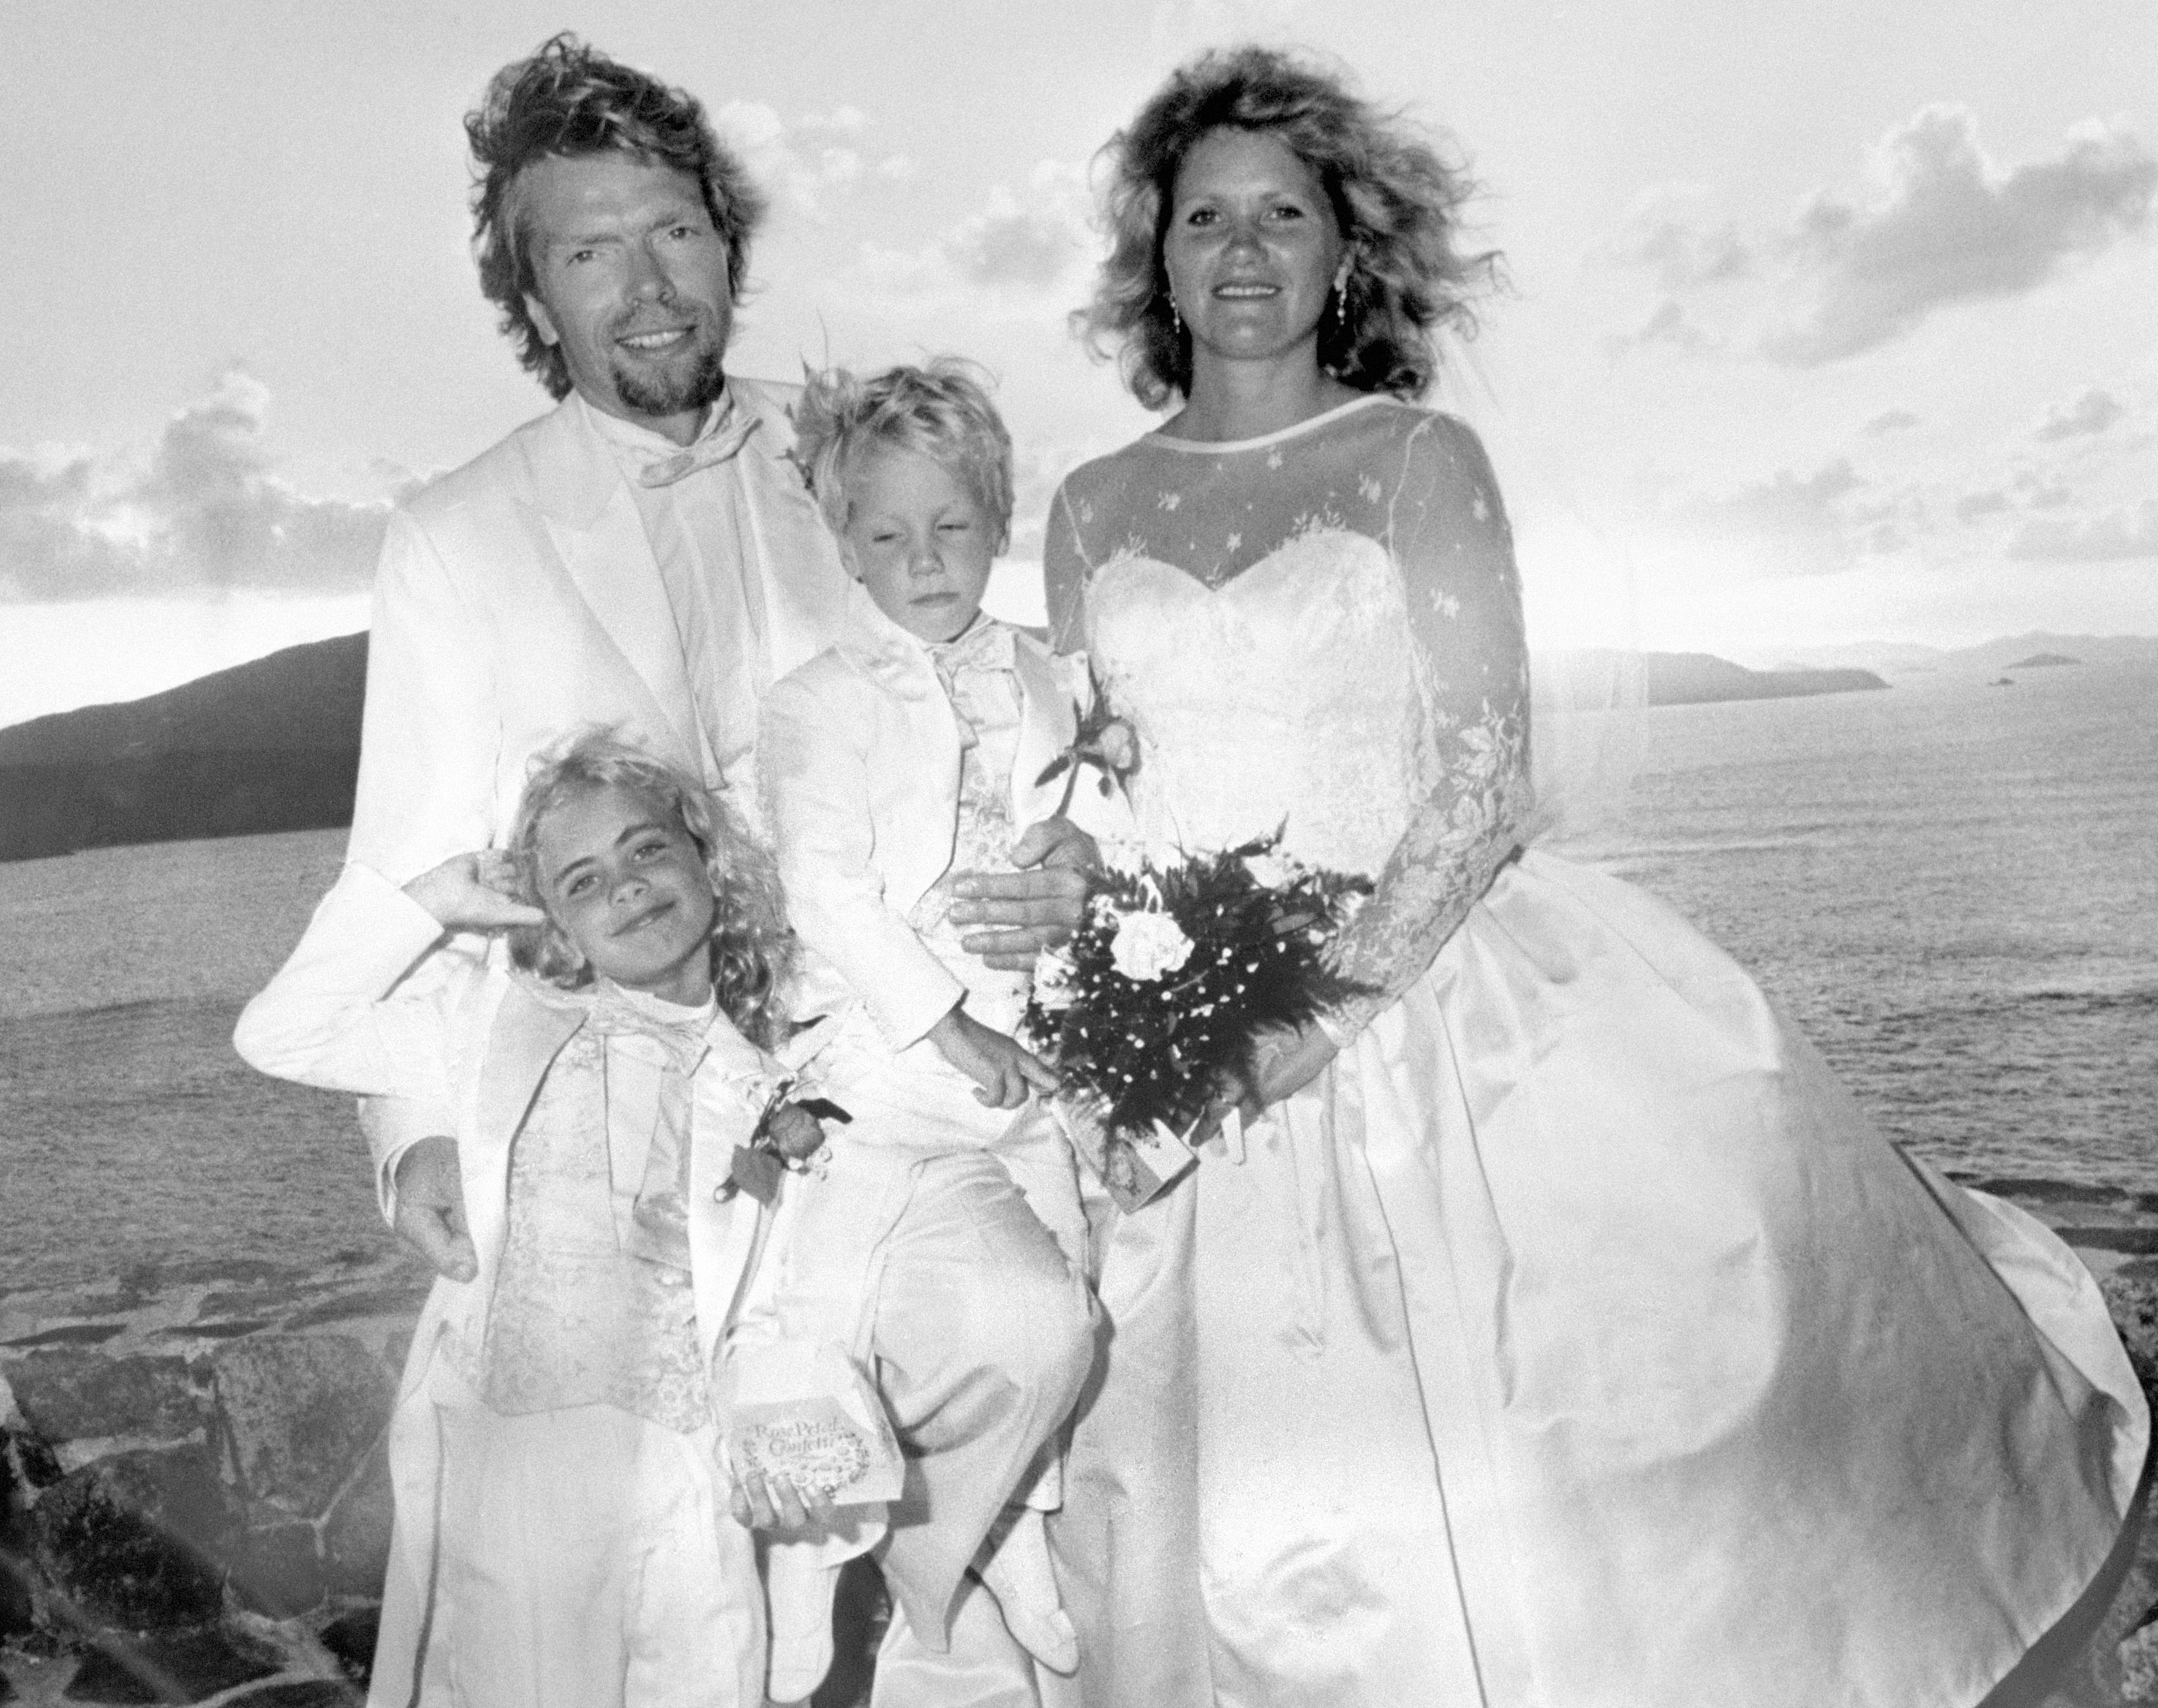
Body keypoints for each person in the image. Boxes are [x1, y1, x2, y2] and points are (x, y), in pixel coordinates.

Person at [1040, 44, 2150, 1708]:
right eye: (1208, 216)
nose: (1246, 251)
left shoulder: (1416, 462)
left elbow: (1481, 780)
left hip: (1411, 1003)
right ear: (1160, 254)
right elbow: (1084, 776)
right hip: (1176, 1030)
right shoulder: (1085, 505)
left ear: (1350, 256)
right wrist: (1114, 981)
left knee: (1564, 1454)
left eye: (1286, 214)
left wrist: (1310, 1017)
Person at [339, 31, 1087, 1285]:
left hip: (900, 1065)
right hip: (628, 1108)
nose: (648, 286)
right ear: (533, 302)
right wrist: (412, 1132)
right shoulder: (452, 539)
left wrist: (1074, 858)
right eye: (589, 253)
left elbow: (993, 706)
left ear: (728, 248)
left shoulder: (857, 452)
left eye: (676, 233)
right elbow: (410, 873)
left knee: (1020, 1340)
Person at [235, 736, 833, 1708]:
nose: (628, 890)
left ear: (703, 851)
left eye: (645, 851)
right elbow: (279, 1033)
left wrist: (787, 1430)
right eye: (584, 880)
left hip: (686, 1468)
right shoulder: (489, 1021)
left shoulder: (771, 1072)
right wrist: (431, 900)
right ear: (551, 914)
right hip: (523, 1465)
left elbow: (789, 1290)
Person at [750, 361, 1128, 1696]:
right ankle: (808, 1572)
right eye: (890, 535)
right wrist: (949, 1025)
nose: (924, 560)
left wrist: (1086, 839)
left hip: (1026, 1052)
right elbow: (825, 890)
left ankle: (1001, 1528)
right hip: (879, 1053)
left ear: (998, 518)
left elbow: (1093, 815)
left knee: (1063, 1303)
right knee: (822, 1313)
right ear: (845, 539)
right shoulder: (816, 701)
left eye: (952, 528)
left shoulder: (1039, 674)